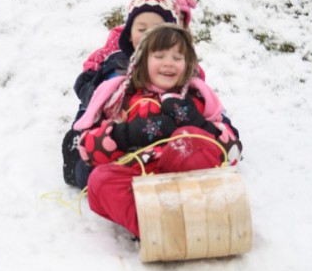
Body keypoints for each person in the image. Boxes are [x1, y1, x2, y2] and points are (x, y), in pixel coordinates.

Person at [73, 24, 242, 239]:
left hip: (187, 180)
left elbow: (233, 151)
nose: (168, 63)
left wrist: (195, 122)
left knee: (188, 139)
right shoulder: (122, 100)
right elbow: (87, 150)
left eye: (177, 58)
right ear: (142, 62)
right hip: (141, 183)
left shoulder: (196, 99)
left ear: (188, 64)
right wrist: (127, 134)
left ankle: (188, 218)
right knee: (99, 181)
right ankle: (158, 229)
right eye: (159, 56)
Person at [63, 0, 201, 189]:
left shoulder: (175, 63)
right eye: (142, 29)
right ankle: (80, 156)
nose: (148, 36)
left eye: (156, 31)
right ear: (129, 32)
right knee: (91, 166)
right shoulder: (117, 59)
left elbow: (200, 93)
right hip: (113, 118)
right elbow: (96, 90)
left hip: (154, 133)